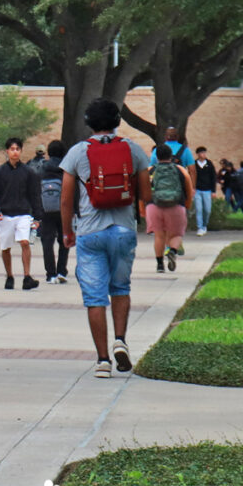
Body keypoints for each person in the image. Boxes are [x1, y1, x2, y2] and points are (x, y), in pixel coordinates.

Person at [60, 98, 151, 379]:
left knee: (95, 297)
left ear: (88, 122)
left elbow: (65, 200)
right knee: (120, 288)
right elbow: (146, 195)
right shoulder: (133, 150)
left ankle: (102, 360)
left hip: (90, 232)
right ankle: (120, 340)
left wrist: (67, 232)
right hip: (123, 230)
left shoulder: (77, 152)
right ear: (117, 121)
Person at [0, 137, 43, 289]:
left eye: (17, 149)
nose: (15, 152)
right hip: (5, 214)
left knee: (24, 242)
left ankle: (27, 276)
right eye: (12, 149)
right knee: (5, 247)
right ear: (7, 151)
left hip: (23, 213)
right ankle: (9, 275)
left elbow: (34, 195)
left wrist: (37, 216)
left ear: (21, 151)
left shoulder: (28, 172)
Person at [146, 144, 194, 273]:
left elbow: (143, 192)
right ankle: (172, 251)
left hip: (154, 205)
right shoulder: (180, 170)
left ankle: (160, 264)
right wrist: (187, 205)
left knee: (159, 235)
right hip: (176, 205)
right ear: (171, 156)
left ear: (156, 156)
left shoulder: (150, 170)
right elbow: (189, 190)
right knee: (177, 234)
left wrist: (142, 208)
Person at [38, 140, 70, 284]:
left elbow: (35, 190)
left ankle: (50, 274)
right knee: (64, 240)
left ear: (49, 153)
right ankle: (61, 271)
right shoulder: (66, 168)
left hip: (46, 209)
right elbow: (72, 191)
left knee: (47, 241)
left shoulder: (42, 168)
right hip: (63, 208)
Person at [192, 147, 216, 235]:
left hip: (207, 190)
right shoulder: (194, 164)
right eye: (202, 153)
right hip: (197, 190)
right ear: (198, 154)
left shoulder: (209, 164)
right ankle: (200, 227)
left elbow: (213, 177)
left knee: (207, 209)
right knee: (198, 209)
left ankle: (205, 225)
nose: (204, 154)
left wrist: (214, 191)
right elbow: (192, 176)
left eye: (204, 153)